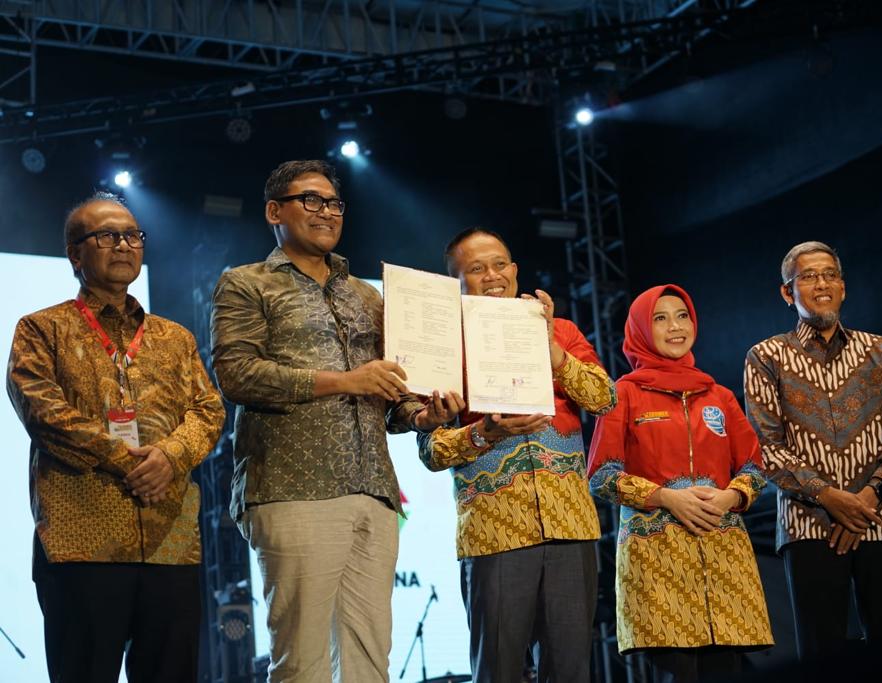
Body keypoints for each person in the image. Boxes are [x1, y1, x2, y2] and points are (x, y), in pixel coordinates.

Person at [210, 160, 459, 682]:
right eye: (311, 200)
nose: (326, 212)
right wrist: (345, 381)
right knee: (302, 658)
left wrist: (421, 413)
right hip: (292, 485)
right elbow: (237, 375)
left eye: (334, 203)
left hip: (373, 488)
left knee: (370, 657)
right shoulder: (246, 283)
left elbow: (391, 401)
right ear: (274, 211)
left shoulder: (367, 295)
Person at [7, 192, 225, 682]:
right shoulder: (42, 329)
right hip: (82, 540)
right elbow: (43, 412)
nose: (124, 244)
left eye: (132, 235)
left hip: (171, 541)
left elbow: (209, 410)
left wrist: (170, 456)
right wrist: (129, 463)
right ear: (75, 255)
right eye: (107, 235)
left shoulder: (174, 337)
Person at [416, 227, 616, 683]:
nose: (493, 276)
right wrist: (483, 432)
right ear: (456, 283)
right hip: (494, 533)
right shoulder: (445, 346)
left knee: (570, 670)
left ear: (516, 270)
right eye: (476, 268)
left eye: (500, 264)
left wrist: (550, 349)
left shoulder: (560, 331)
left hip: (570, 527)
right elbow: (429, 450)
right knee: (499, 670)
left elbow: (604, 398)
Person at [587, 284, 773, 683]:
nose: (675, 326)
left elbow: (756, 466)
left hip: (723, 559)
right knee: (679, 674)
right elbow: (601, 476)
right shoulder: (624, 393)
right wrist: (666, 497)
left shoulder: (719, 395)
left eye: (682, 315)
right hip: (658, 564)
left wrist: (731, 496)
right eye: (660, 318)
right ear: (639, 330)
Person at [743, 240, 882, 661]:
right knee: (823, 657)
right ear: (788, 292)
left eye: (830, 275)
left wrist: (866, 498)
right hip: (810, 525)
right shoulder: (766, 357)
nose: (822, 284)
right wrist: (830, 497)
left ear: (843, 286)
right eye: (808, 276)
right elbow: (768, 447)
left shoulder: (881, 349)